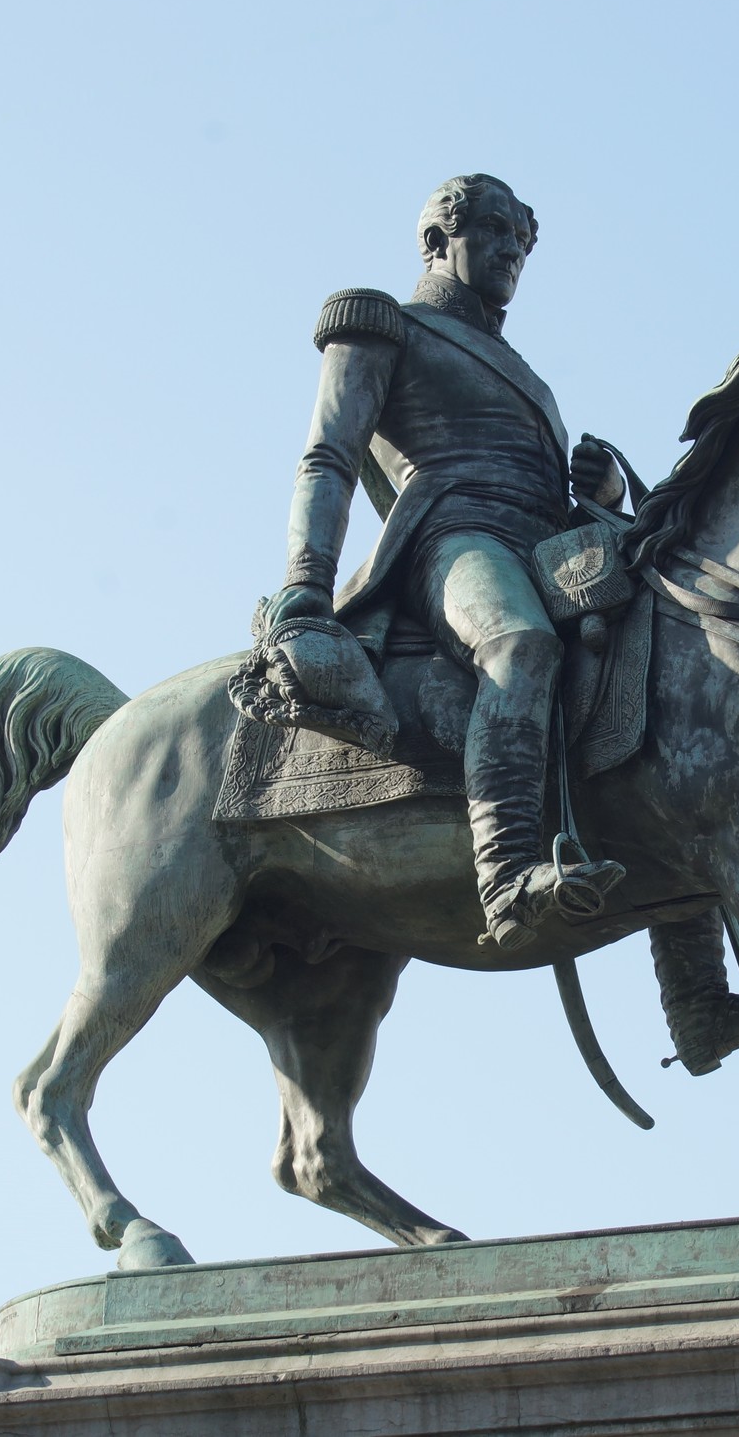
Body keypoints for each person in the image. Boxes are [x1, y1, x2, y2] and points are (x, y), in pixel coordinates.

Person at [266, 173, 629, 951]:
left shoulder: (531, 377)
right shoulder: (384, 321)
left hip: (543, 548)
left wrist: (602, 493)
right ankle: (506, 879)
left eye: (521, 243)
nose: (511, 253)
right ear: (438, 240)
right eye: (494, 232)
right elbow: (327, 457)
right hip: (451, 537)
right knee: (518, 646)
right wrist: (304, 590)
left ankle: (698, 998)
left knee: (667, 680)